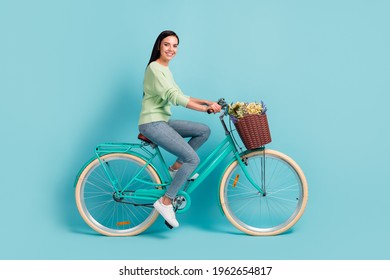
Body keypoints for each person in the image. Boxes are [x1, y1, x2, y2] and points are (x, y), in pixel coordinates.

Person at [138, 30, 221, 228]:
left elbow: (179, 94)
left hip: (162, 122)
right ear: (159, 45)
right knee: (192, 159)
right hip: (152, 123)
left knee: (203, 131)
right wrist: (204, 109)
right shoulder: (155, 68)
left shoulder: (165, 69)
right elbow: (174, 98)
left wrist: (207, 101)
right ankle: (166, 202)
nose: (171, 49)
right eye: (167, 44)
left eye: (175, 46)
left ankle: (176, 169)